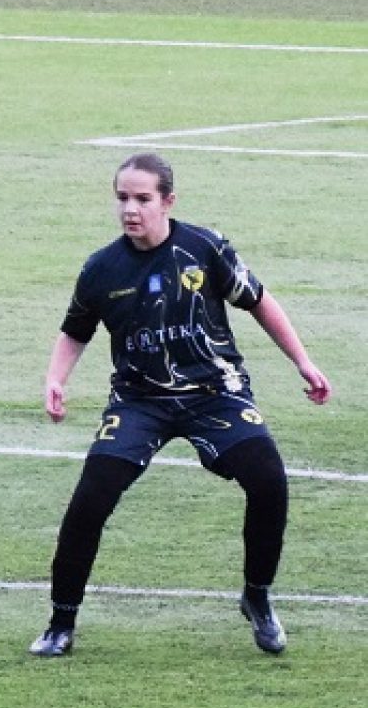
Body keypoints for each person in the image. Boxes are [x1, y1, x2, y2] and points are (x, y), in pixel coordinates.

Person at [31, 153, 333, 659]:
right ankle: (61, 623)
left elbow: (259, 300)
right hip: (139, 400)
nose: (130, 209)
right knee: (89, 502)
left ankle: (257, 597)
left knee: (268, 481)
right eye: (122, 198)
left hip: (215, 394)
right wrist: (55, 379)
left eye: (142, 198)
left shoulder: (204, 248)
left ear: (168, 201)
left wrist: (302, 361)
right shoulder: (101, 269)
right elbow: (75, 330)